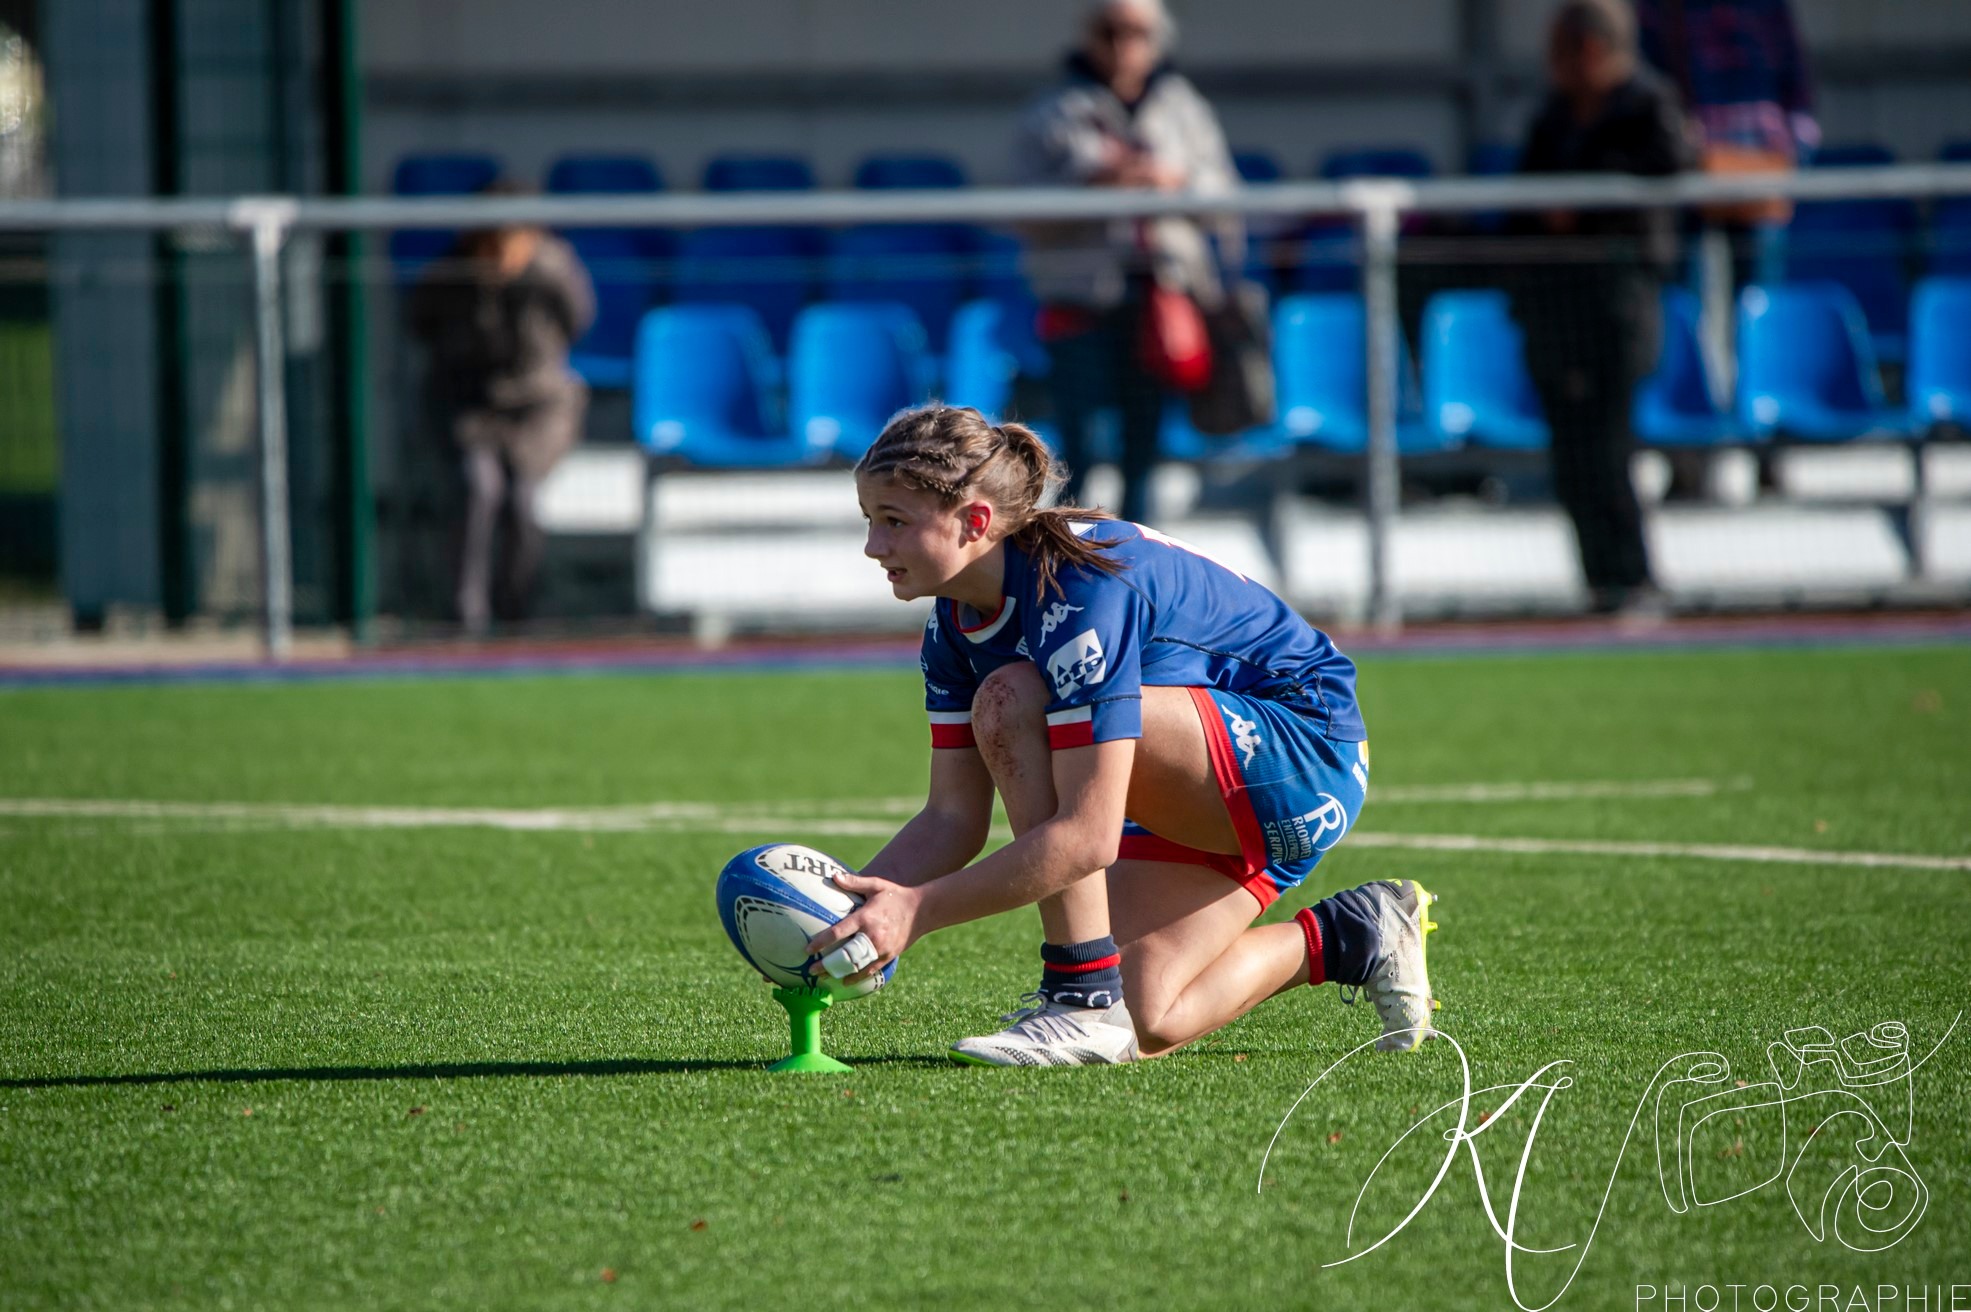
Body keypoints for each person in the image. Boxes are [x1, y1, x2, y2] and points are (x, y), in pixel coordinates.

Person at [805, 404, 1438, 1066]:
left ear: (975, 522)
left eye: (894, 522)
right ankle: (1355, 933)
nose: (874, 547)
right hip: (1201, 780)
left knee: (1015, 696)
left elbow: (1087, 835)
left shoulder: (1077, 591)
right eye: (871, 522)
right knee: (1148, 1016)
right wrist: (840, 915)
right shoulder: (954, 626)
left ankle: (1078, 1000)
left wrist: (917, 912)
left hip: (1303, 755)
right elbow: (951, 819)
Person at [1015, 0, 1241, 525]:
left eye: (1135, 32)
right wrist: (1094, 184)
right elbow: (1021, 208)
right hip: (1080, 301)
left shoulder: (1183, 109)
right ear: (1088, 37)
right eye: (1108, 31)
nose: (1122, 46)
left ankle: (1137, 568)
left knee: (1143, 449)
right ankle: (1067, 562)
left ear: (1157, 39)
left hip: (1160, 301)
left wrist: (1172, 182)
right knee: (1079, 448)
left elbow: (1224, 198)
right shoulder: (1055, 110)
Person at [1510, 0, 1692, 618]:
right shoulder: (1554, 114)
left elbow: (1669, 167)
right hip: (1557, 306)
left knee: (1612, 448)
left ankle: (1634, 582)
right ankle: (1597, 584)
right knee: (1574, 454)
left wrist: (1584, 206)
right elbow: (1523, 196)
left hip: (1619, 304)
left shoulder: (1646, 104)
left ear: (1589, 48)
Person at [407, 186, 594, 635]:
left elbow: (580, 321)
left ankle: (517, 610)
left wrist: (539, 273)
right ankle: (465, 613)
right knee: (479, 486)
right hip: (470, 405)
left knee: (522, 496)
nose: (502, 250)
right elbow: (417, 322)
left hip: (538, 406)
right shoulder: (451, 273)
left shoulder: (553, 268)